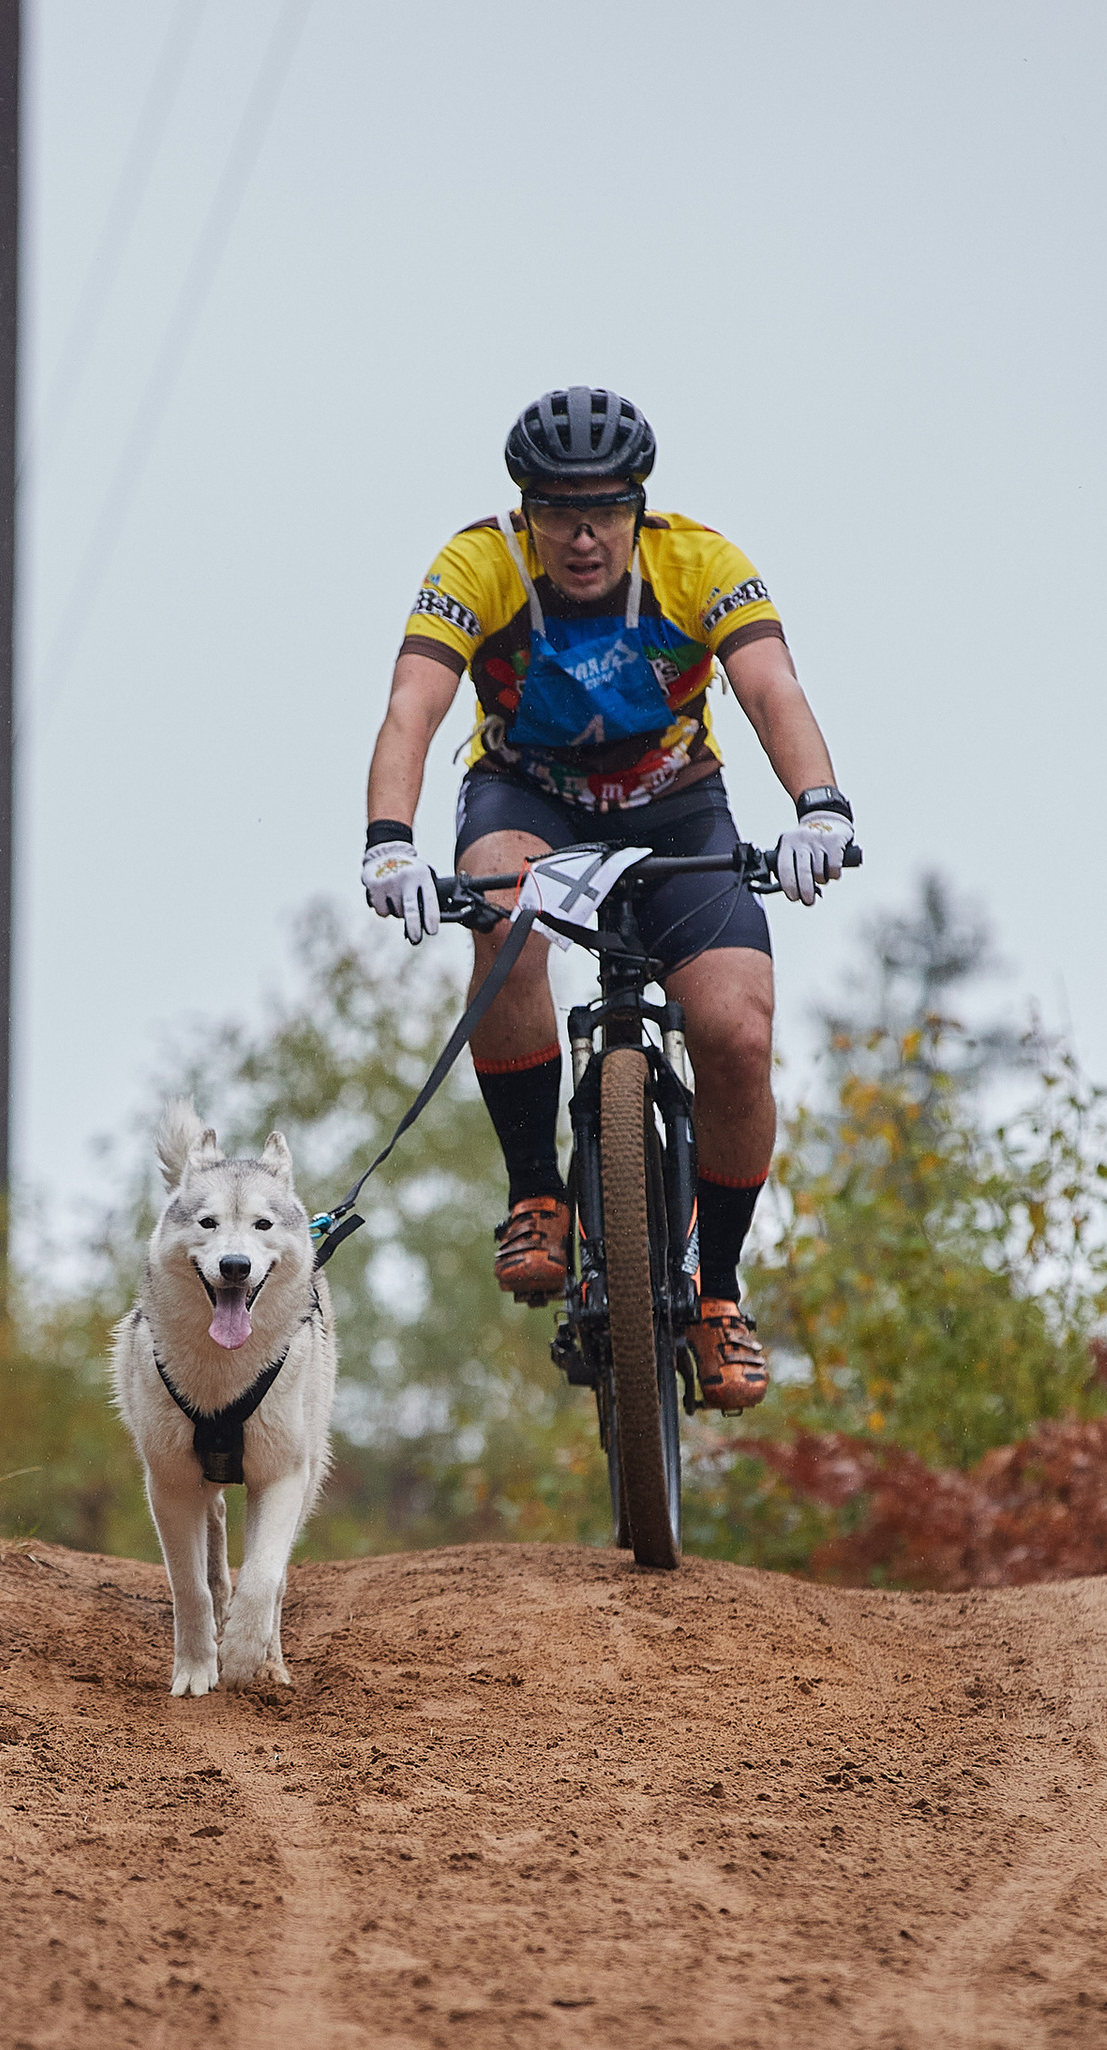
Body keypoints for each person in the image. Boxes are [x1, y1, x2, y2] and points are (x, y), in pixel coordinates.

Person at [358, 383, 856, 1411]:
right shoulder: (477, 564)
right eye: (555, 511)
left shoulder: (700, 563)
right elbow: (414, 702)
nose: (581, 536)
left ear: (639, 506)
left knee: (735, 1032)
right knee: (504, 918)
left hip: (677, 808)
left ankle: (716, 1291)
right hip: (528, 797)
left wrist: (819, 807)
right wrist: (391, 843)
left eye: (604, 511)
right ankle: (536, 1191)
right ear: (524, 511)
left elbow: (771, 688)